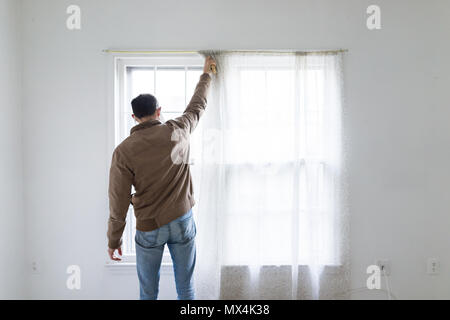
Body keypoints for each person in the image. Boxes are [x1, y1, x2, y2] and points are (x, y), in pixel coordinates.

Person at [107, 56, 216, 300]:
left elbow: (118, 200)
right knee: (186, 288)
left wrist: (114, 239)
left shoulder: (124, 151)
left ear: (134, 117)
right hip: (182, 221)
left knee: (148, 293)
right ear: (159, 111)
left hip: (150, 226)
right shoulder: (179, 129)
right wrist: (206, 75)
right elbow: (197, 105)